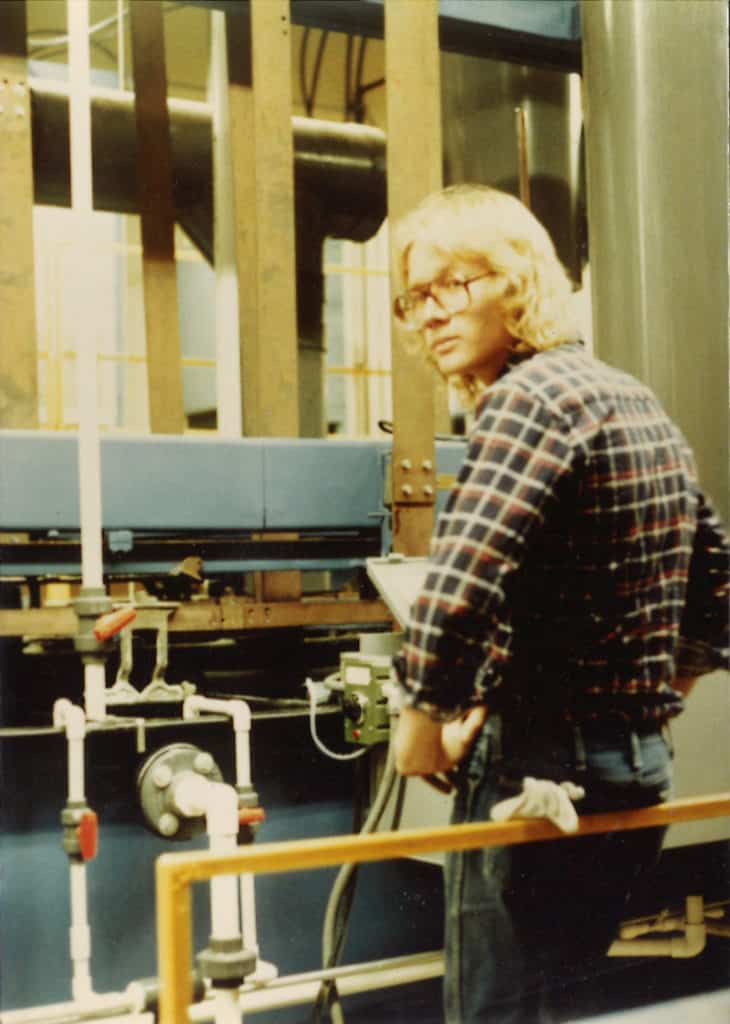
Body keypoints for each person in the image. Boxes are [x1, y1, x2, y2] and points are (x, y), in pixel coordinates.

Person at [389, 184, 729, 1023]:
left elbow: (458, 585)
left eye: (451, 286)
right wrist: (641, 709)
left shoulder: (527, 400)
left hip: (536, 777)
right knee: (561, 1002)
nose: (429, 316)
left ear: (518, 282)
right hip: (634, 771)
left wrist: (422, 728)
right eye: (416, 299)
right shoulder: (631, 398)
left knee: (498, 1012)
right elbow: (715, 584)